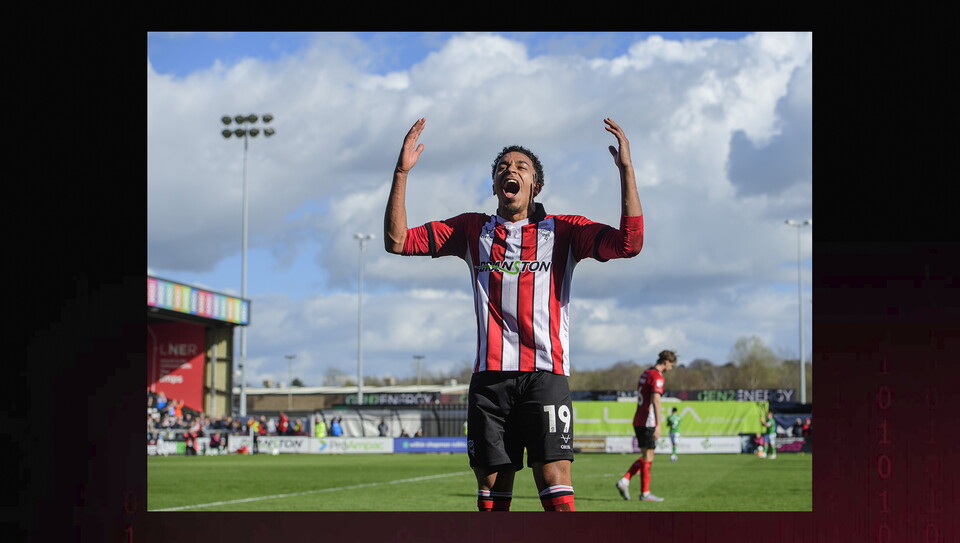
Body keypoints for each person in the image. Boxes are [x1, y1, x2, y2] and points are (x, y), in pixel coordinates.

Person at [385, 117, 644, 512]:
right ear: (494, 185)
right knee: (491, 498)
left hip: (545, 375)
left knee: (555, 483)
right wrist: (401, 172)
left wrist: (626, 171)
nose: (511, 170)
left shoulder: (564, 231)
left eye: (521, 167)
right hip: (489, 382)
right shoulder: (472, 230)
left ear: (536, 186)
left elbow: (629, 244)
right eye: (503, 168)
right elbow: (397, 241)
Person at [615, 350, 677, 502]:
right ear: (666, 362)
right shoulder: (657, 377)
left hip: (638, 419)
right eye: (672, 365)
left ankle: (627, 483)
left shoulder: (645, 373)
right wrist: (658, 425)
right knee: (648, 458)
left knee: (647, 457)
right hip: (648, 422)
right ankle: (643, 492)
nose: (671, 369)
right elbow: (656, 400)